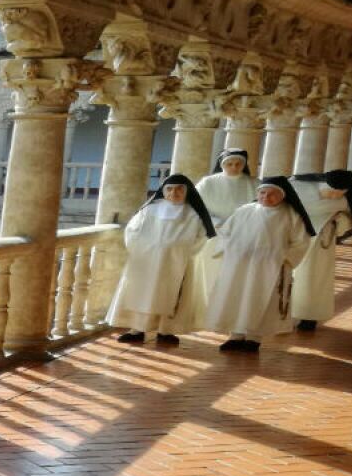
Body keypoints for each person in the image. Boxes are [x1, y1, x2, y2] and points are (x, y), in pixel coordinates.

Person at [204, 176, 316, 352]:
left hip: (270, 268)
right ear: (257, 193)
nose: (266, 197)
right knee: (238, 297)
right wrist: (232, 249)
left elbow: (301, 242)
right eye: (263, 193)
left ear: (283, 195)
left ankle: (254, 338)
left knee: (262, 299)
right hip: (240, 265)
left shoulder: (290, 215)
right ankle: (235, 336)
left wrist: (284, 258)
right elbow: (225, 233)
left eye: (272, 194)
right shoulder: (244, 211)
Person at [105, 174, 216, 346]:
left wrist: (180, 249)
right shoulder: (149, 210)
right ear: (163, 191)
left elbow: (201, 237)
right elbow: (132, 231)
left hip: (177, 262)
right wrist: (144, 248)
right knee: (143, 293)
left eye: (179, 189)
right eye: (169, 189)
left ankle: (166, 331)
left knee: (171, 295)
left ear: (187, 191)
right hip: (147, 260)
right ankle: (137, 329)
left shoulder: (193, 213)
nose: (174, 193)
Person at [187, 150, 260, 326]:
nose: (234, 167)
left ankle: (232, 315)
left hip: (243, 236)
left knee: (237, 277)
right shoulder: (208, 183)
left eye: (238, 164)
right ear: (222, 164)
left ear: (244, 165)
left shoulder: (255, 183)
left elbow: (260, 208)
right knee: (211, 274)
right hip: (214, 234)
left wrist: (239, 224)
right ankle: (207, 314)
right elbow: (196, 206)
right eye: (229, 164)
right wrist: (215, 222)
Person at [287, 170, 352, 331]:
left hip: (322, 245)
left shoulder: (343, 202)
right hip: (295, 240)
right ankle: (284, 315)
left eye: (339, 194)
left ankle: (309, 316)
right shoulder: (299, 189)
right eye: (332, 192)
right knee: (290, 277)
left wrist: (338, 219)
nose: (335, 197)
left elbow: (348, 220)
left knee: (316, 280)